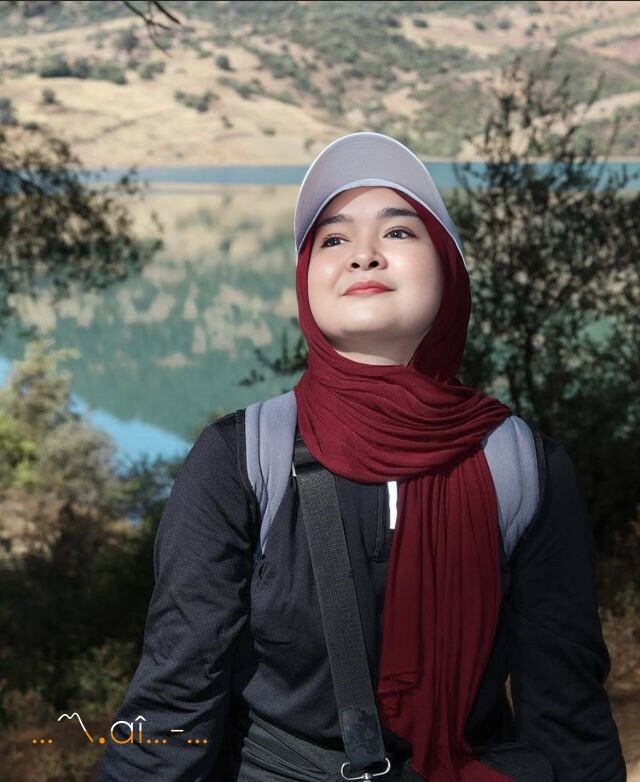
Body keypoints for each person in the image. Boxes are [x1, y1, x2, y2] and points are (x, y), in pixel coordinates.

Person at [95, 132, 626, 781]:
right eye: (333, 240)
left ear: (449, 270)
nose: (363, 254)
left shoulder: (522, 466)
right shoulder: (238, 460)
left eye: (398, 232)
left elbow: (566, 708)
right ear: (306, 282)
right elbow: (175, 693)